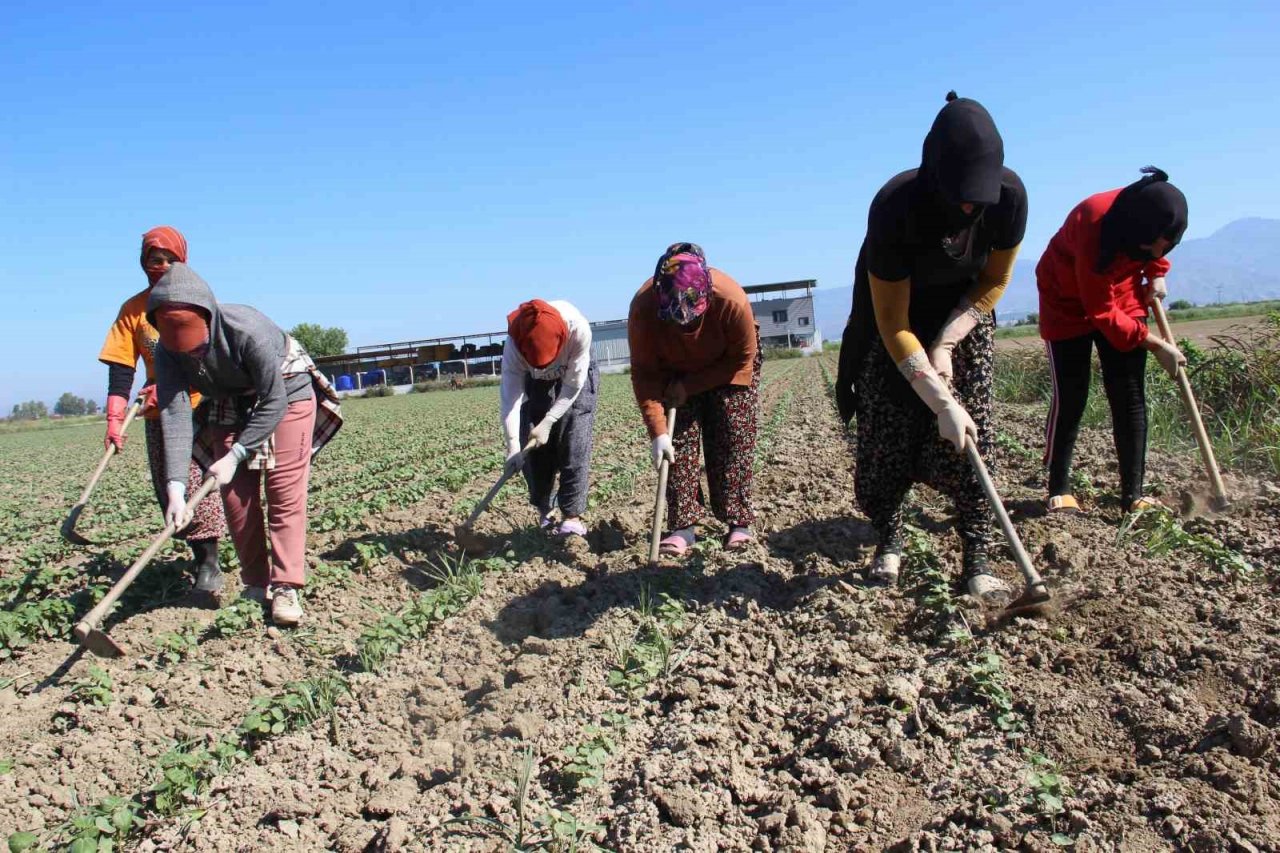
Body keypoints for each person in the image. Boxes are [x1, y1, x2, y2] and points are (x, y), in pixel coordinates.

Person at [835, 92, 1028, 603]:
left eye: (978, 198)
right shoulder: (896, 207)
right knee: (884, 437)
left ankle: (978, 559)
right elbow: (893, 320)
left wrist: (947, 343)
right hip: (894, 320)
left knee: (972, 434)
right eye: (962, 196)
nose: (969, 208)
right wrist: (938, 399)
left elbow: (993, 281)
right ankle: (890, 540)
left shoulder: (1008, 200)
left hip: (963, 317)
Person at [148, 262, 343, 626]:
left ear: (209, 317)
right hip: (228, 399)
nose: (190, 356)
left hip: (285, 391)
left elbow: (274, 401)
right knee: (236, 499)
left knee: (284, 491)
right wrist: (176, 489)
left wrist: (237, 453)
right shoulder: (166, 351)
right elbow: (174, 414)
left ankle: (286, 586)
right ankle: (255, 584)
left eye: (196, 347)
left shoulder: (247, 331)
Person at [1036, 167, 1188, 514]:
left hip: (1121, 292)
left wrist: (1156, 274)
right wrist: (1157, 344)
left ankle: (1132, 494)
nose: (1153, 249)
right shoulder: (1094, 221)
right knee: (1072, 395)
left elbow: (1156, 250)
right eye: (1148, 246)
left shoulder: (1154, 217)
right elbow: (1100, 310)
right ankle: (1059, 487)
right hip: (1067, 298)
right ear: (1134, 230)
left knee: (1129, 393)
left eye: (1162, 246)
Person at [98, 227, 226, 595]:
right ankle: (202, 555)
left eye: (169, 259)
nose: (161, 266)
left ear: (182, 260)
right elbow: (121, 369)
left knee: (198, 481)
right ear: (143, 263)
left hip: (204, 403)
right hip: (159, 410)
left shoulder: (196, 298)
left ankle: (209, 566)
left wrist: (179, 385)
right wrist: (115, 418)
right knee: (168, 488)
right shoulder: (134, 310)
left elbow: (212, 355)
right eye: (154, 260)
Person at [628, 242, 761, 556]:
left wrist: (692, 385)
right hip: (673, 372)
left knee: (732, 436)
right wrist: (658, 433)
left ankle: (738, 523)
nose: (685, 326)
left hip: (727, 368)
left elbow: (742, 360)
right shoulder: (644, 309)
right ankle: (683, 527)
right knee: (679, 445)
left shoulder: (731, 300)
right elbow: (645, 374)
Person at [499, 299, 598, 537]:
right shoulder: (514, 344)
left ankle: (572, 517)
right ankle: (546, 511)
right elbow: (511, 398)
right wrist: (513, 447)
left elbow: (573, 385)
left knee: (575, 440)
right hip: (535, 385)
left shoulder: (578, 330)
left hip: (574, 377)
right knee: (532, 446)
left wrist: (550, 420)